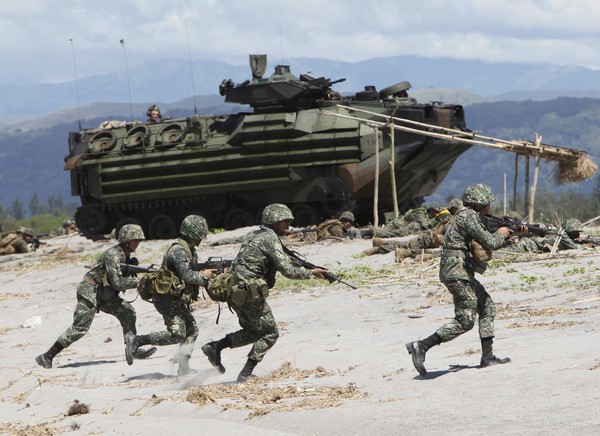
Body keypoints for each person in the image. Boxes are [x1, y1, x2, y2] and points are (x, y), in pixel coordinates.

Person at [200, 203, 329, 382]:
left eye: (289, 220)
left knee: (254, 332)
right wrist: (311, 273)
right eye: (284, 221)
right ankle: (245, 373)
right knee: (270, 333)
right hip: (248, 292)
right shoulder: (270, 239)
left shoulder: (254, 235)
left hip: (235, 291)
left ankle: (216, 347)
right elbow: (288, 271)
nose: (288, 224)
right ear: (273, 221)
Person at [406, 184, 516, 376]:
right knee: (465, 320)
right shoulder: (469, 216)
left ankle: (487, 356)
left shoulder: (466, 216)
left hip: (459, 270)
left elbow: (486, 242)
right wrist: (502, 234)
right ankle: (421, 345)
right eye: (488, 203)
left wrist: (507, 237)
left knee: (487, 306)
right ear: (481, 203)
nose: (490, 206)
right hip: (457, 272)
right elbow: (490, 242)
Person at [35, 224, 155, 369]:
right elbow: (117, 283)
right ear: (125, 240)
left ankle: (133, 348)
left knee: (128, 312)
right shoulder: (113, 255)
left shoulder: (124, 256)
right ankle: (47, 356)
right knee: (80, 328)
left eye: (139, 241)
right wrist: (139, 281)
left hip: (103, 293)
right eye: (135, 240)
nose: (137, 243)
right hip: (89, 291)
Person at [125, 215, 215, 376]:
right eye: (199, 234)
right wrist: (204, 275)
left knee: (192, 330)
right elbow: (187, 275)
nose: (201, 238)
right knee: (177, 335)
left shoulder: (186, 248)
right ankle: (137, 341)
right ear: (193, 233)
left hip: (175, 299)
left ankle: (184, 368)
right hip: (167, 299)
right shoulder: (179, 250)